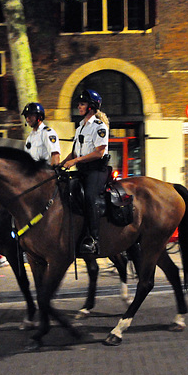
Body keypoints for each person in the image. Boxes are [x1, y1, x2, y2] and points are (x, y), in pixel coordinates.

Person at [61, 89, 110, 255]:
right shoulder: (80, 127)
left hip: (96, 170)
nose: (79, 106)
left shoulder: (99, 127)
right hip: (82, 170)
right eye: (79, 104)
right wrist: (62, 163)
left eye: (82, 104)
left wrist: (75, 161)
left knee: (90, 196)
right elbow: (75, 152)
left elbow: (99, 152)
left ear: (91, 107)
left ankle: (94, 239)